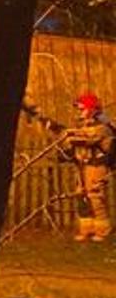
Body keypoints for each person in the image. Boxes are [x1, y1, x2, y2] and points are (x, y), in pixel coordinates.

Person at [25, 92, 115, 242]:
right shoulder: (82, 126)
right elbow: (70, 136)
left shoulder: (102, 127)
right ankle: (86, 230)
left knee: (95, 196)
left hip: (96, 166)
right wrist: (49, 124)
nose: (79, 112)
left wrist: (65, 133)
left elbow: (84, 138)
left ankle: (103, 231)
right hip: (82, 165)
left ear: (92, 109)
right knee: (81, 196)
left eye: (82, 109)